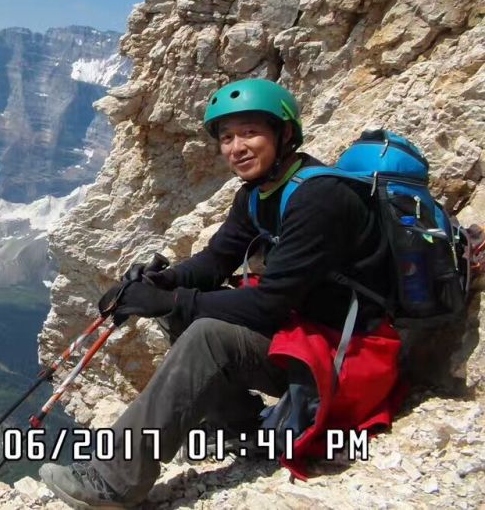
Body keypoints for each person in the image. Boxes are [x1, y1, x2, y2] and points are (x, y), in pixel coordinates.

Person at [39, 78, 390, 509]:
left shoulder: (319, 199)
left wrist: (172, 301)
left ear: (284, 134)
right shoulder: (260, 194)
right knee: (184, 312)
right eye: (226, 137)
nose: (236, 148)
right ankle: (243, 430)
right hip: (309, 338)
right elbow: (216, 260)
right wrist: (162, 283)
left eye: (250, 133)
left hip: (349, 356)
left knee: (207, 334)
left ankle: (113, 481)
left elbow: (269, 304)